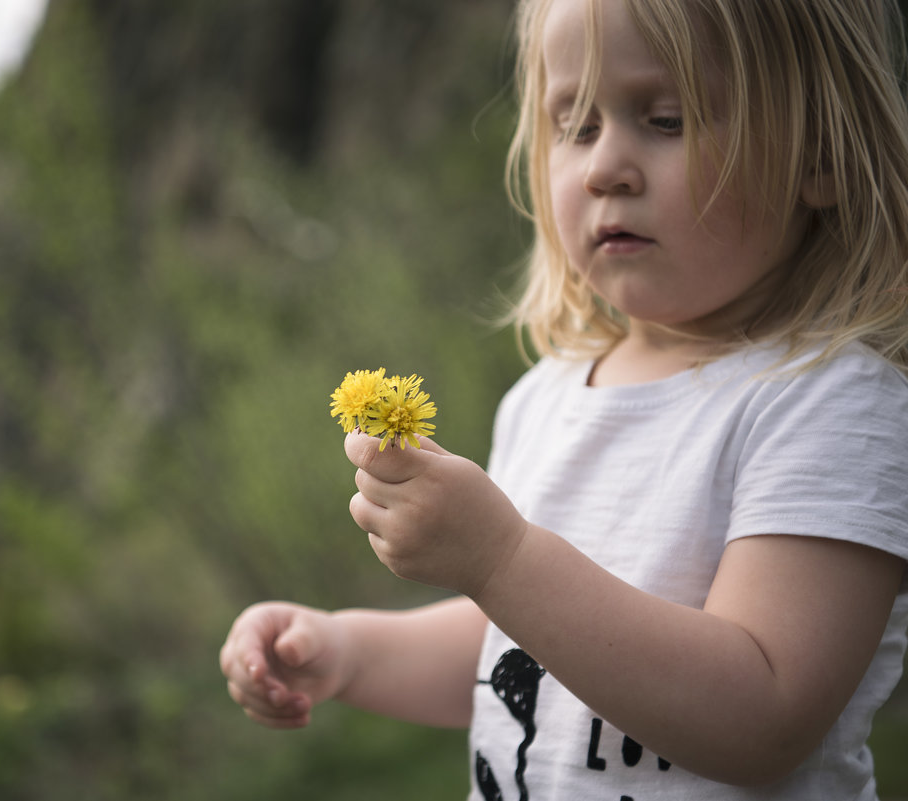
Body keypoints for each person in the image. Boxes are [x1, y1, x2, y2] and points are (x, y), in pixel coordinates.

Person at [219, 0, 908, 798]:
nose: (603, 167)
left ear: (818, 157)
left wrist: (501, 555)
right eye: (576, 127)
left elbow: (767, 715)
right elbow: (523, 641)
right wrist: (348, 650)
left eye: (666, 118)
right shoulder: (544, 398)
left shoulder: (832, 407)